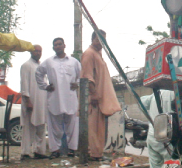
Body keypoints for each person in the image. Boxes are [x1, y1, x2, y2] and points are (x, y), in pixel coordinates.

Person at [36, 37, 82, 158]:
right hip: (55, 98)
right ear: (53, 47)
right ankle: (55, 150)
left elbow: (81, 75)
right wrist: (45, 86)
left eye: (59, 44)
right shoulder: (49, 62)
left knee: (72, 125)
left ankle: (72, 149)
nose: (58, 46)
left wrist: (77, 83)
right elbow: (38, 73)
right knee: (54, 127)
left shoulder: (73, 62)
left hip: (70, 98)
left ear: (64, 45)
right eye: (55, 45)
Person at [80, 30, 122, 161]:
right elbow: (87, 75)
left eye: (103, 40)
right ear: (93, 39)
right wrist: (93, 94)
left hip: (100, 97)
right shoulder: (89, 53)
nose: (101, 42)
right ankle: (94, 154)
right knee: (94, 127)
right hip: (94, 97)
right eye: (99, 39)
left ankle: (97, 153)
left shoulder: (97, 54)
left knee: (99, 127)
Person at [139, 89, 174, 168]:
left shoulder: (157, 93)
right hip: (168, 137)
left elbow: (142, 102)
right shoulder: (175, 93)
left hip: (153, 135)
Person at [19, 44, 48, 159]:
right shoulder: (26, 65)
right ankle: (25, 152)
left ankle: (39, 151)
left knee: (41, 126)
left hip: (41, 102)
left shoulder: (41, 66)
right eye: (35, 51)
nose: (38, 53)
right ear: (31, 52)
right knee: (28, 127)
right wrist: (27, 101)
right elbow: (24, 84)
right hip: (31, 101)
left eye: (39, 51)